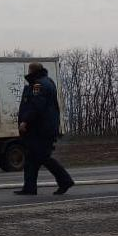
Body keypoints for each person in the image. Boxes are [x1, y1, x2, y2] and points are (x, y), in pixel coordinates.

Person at [15, 62, 74, 196]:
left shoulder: (38, 85)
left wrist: (25, 121)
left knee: (43, 157)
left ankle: (65, 181)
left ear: (32, 71)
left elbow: (36, 106)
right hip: (42, 128)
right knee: (31, 159)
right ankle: (29, 188)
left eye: (29, 71)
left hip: (40, 130)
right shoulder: (48, 82)